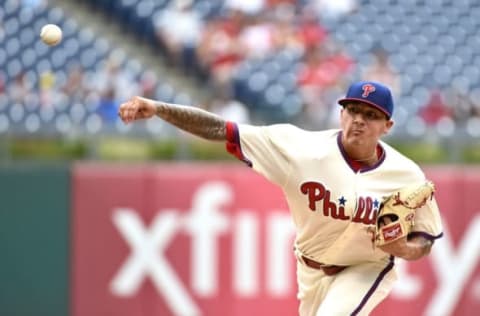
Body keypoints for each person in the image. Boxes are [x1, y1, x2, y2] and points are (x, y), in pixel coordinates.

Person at [118, 81, 443, 316]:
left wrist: (402, 248)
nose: (358, 119)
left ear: (387, 125)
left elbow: (425, 239)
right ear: (341, 113)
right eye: (352, 109)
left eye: (370, 115)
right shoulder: (299, 149)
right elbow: (223, 129)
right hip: (310, 268)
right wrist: (159, 108)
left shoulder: (406, 174)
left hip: (367, 266)